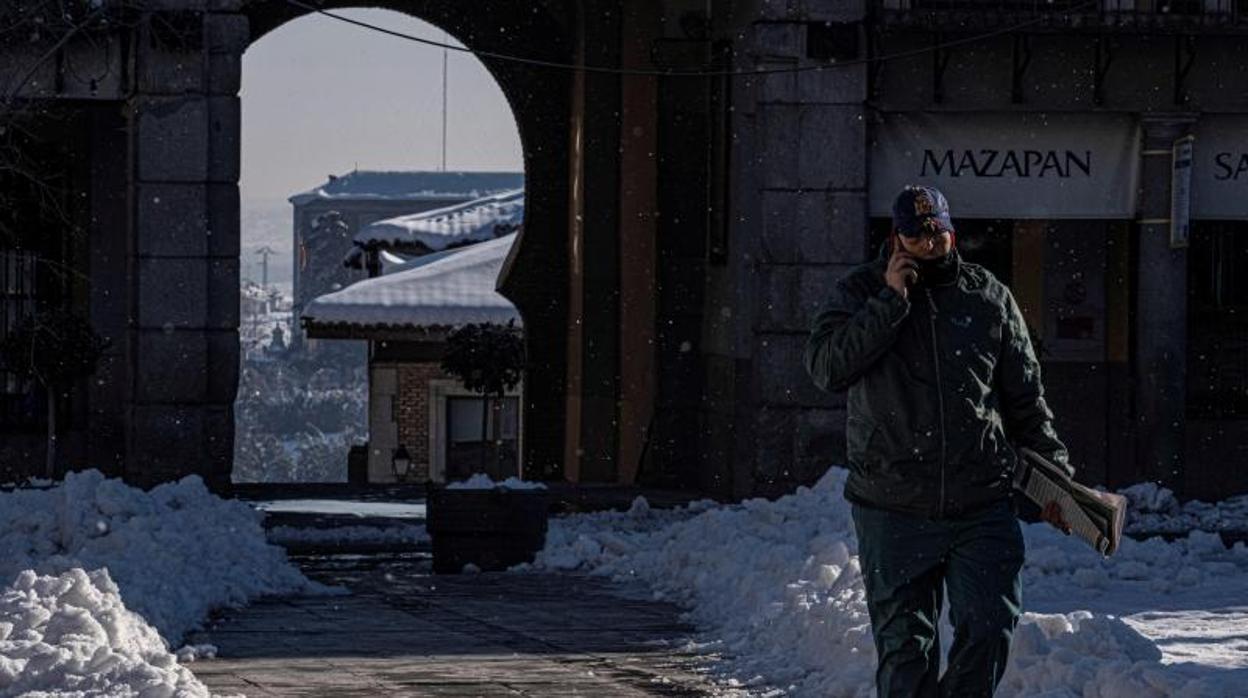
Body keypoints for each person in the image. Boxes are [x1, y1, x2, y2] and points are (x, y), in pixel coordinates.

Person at [803, 185, 1072, 697]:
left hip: (981, 501)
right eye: (917, 234)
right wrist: (890, 302)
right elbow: (827, 368)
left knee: (990, 628)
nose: (930, 243)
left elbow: (1026, 401)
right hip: (892, 504)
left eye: (938, 231)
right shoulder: (860, 292)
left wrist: (1054, 479)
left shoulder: (986, 296)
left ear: (953, 230)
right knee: (907, 653)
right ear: (895, 237)